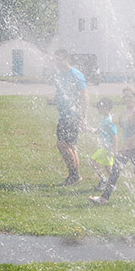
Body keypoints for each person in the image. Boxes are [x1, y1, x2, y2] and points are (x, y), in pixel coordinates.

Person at [89, 86, 135, 204]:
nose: (127, 98)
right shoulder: (127, 111)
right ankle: (104, 198)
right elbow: (126, 126)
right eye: (125, 96)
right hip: (128, 147)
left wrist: (126, 143)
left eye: (130, 96)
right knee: (116, 171)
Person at [50, 49, 88, 185]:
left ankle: (74, 175)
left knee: (62, 145)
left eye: (59, 58)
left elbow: (84, 96)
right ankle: (75, 176)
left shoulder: (76, 75)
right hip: (64, 115)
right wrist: (53, 101)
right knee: (71, 146)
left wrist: (83, 117)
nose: (56, 61)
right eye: (55, 59)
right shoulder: (60, 76)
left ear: (66, 59)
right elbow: (60, 93)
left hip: (72, 115)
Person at [88, 98, 117, 190]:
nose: (98, 109)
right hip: (106, 147)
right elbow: (100, 130)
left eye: (100, 107)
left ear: (107, 108)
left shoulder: (109, 121)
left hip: (107, 148)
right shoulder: (104, 119)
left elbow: (114, 135)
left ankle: (103, 179)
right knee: (108, 167)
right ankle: (112, 184)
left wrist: (115, 149)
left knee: (92, 161)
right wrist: (90, 130)